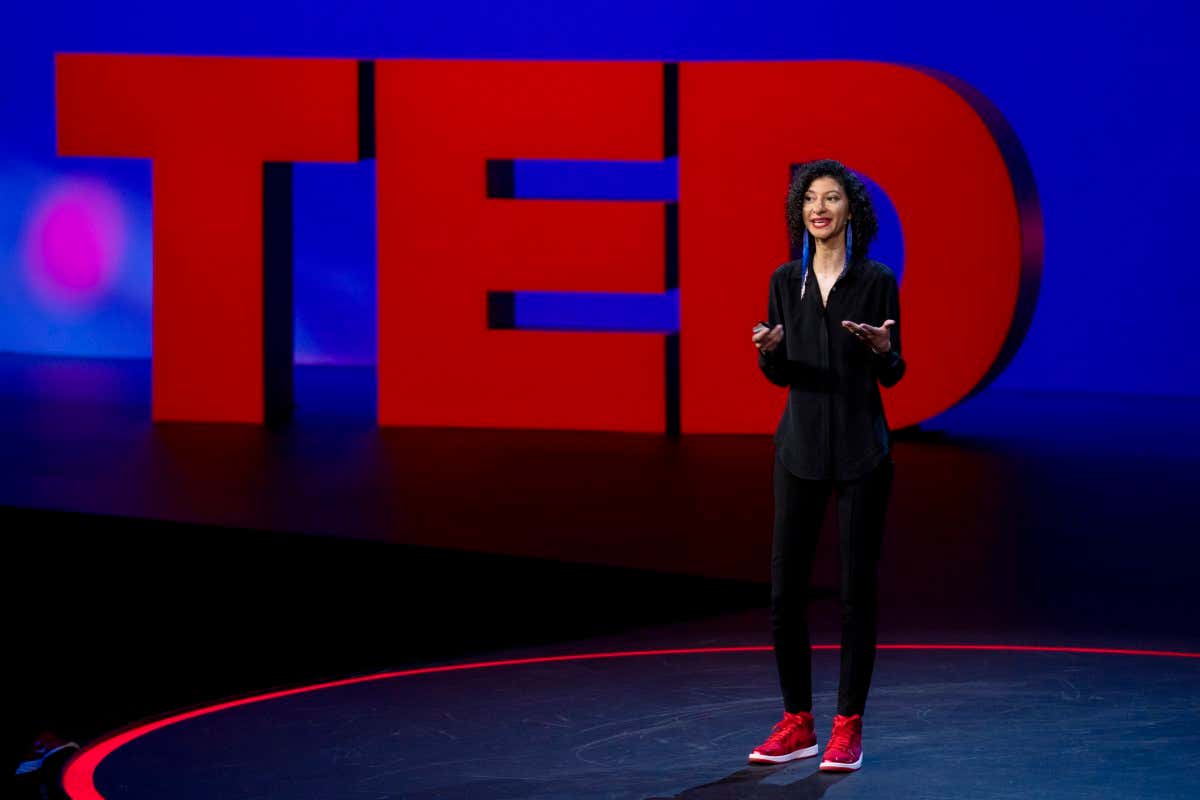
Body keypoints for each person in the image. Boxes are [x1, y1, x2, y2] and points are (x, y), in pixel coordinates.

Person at [746, 159, 906, 772]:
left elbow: (893, 372)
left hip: (862, 452)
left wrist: (886, 352)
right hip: (800, 451)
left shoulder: (876, 280)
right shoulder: (786, 281)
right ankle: (798, 722)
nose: (819, 208)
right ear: (801, 213)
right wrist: (769, 356)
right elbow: (783, 374)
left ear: (850, 211)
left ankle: (846, 727)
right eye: (810, 199)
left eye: (831, 198)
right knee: (785, 594)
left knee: (854, 595)